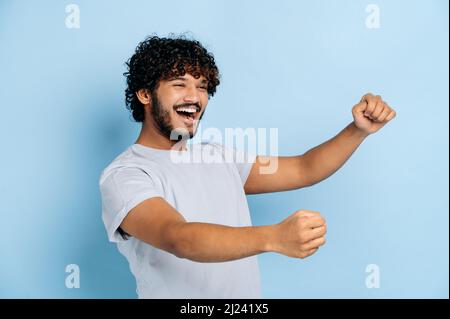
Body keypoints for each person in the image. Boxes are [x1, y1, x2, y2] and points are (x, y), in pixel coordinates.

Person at [99, 35, 397, 298]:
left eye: (202, 87)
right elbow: (179, 237)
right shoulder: (126, 175)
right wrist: (274, 238)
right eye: (179, 85)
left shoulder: (218, 156)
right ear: (145, 94)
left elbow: (305, 168)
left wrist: (358, 130)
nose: (194, 97)